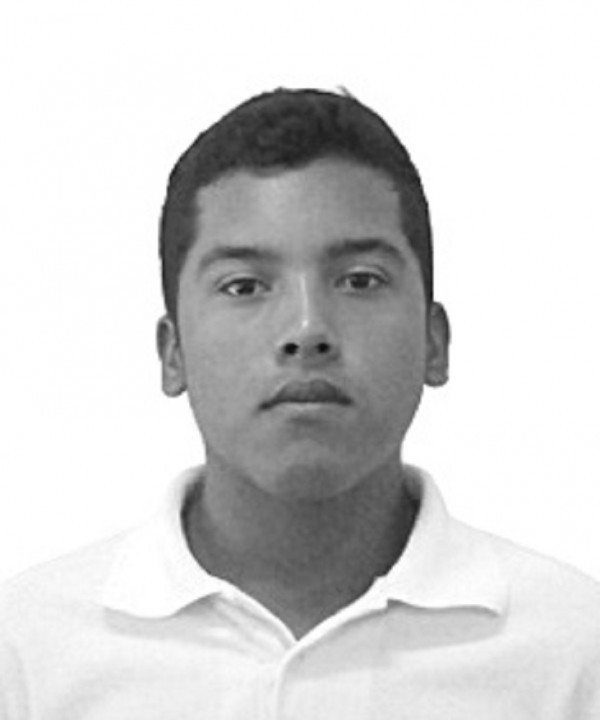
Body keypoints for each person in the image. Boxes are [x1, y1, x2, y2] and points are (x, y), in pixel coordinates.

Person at [1, 87, 599, 719]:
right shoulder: (28, 652)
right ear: (172, 353)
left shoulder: (573, 651)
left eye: (360, 280)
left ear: (434, 342)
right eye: (244, 286)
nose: (307, 328)